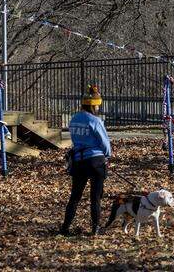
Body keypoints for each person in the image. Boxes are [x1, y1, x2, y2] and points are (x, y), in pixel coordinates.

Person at [60, 84, 111, 237]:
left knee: (75, 196)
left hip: (78, 161)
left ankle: (65, 227)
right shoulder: (96, 121)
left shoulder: (74, 119)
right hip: (96, 161)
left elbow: (75, 139)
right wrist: (107, 156)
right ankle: (95, 228)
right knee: (95, 197)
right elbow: (105, 143)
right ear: (95, 106)